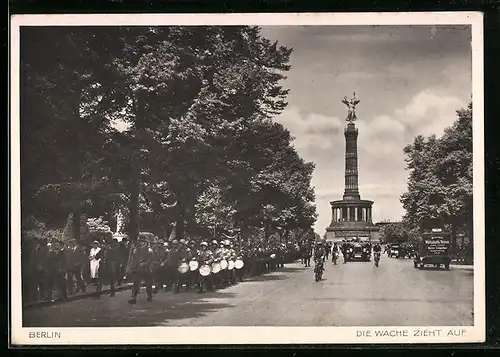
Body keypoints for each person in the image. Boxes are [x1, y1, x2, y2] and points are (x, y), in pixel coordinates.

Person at [127, 238, 154, 304]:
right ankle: (133, 298)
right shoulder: (136, 249)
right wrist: (132, 268)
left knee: (148, 284)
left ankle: (149, 296)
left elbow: (150, 259)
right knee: (135, 283)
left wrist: (145, 264)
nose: (140, 242)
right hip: (137, 269)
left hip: (146, 269)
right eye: (139, 241)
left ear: (145, 242)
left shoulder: (149, 250)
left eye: (142, 241)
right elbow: (133, 259)